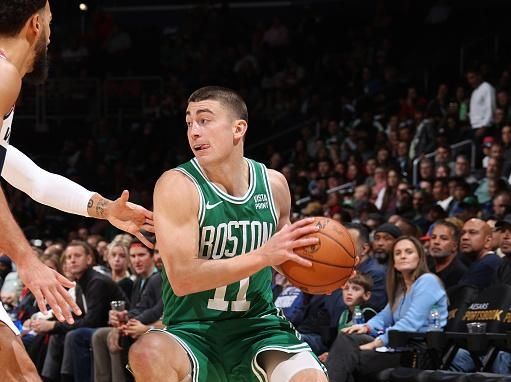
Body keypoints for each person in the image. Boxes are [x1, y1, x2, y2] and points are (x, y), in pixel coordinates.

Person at [128, 86, 328, 382]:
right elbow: (183, 279)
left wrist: (327, 270)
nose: (194, 131)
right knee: (147, 351)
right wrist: (262, 255)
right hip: (193, 329)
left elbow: (287, 260)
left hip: (259, 326)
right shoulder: (177, 185)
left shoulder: (273, 185)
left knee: (309, 378)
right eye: (189, 122)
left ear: (238, 128)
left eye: (204, 120)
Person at [0, 1, 153, 380]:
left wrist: (103, 209)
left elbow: (31, 177)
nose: (52, 37)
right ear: (35, 25)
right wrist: (27, 261)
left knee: (19, 371)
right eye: (51, 24)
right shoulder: (3, 74)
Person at [326, 236, 448, 382]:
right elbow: (384, 317)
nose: (403, 256)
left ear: (420, 257)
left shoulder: (428, 281)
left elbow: (410, 323)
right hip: (397, 345)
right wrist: (366, 327)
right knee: (348, 338)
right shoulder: (401, 289)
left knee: (352, 358)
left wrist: (376, 343)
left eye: (409, 252)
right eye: (398, 253)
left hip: (418, 351)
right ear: (394, 262)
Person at [318, 273, 377, 363]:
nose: (349, 292)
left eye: (356, 289)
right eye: (346, 288)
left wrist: (334, 356)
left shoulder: (369, 312)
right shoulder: (343, 314)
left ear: (366, 295)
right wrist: (330, 353)